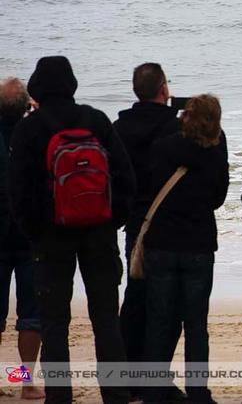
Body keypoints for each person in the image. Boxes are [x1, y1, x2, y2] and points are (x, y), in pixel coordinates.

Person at [7, 56, 135, 404]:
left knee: (54, 322)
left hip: (51, 238)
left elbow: (18, 190)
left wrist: (36, 231)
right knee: (106, 319)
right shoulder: (95, 120)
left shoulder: (29, 129)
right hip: (99, 233)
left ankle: (60, 395)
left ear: (37, 88)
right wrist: (112, 220)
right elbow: (126, 178)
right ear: (72, 84)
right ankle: (116, 393)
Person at [142, 95, 229, 404]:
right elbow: (219, 197)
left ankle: (153, 390)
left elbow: (151, 186)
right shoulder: (216, 152)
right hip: (199, 242)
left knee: (159, 321)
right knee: (196, 323)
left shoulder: (163, 146)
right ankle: (198, 392)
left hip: (163, 241)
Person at [112, 63, 183, 400]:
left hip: (134, 220)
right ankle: (155, 378)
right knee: (165, 305)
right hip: (168, 220)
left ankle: (128, 378)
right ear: (164, 90)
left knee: (136, 295)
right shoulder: (174, 127)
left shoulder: (118, 128)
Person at [0, 77, 43, 399]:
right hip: (29, 233)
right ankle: (24, 382)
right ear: (27, 105)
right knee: (30, 315)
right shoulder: (34, 134)